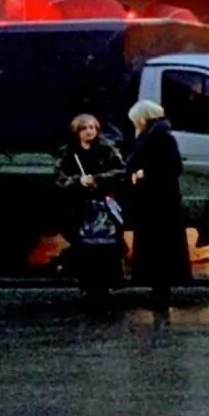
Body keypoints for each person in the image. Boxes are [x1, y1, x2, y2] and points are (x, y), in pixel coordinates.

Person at [124, 99, 189, 312]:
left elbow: (172, 167)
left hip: (159, 204)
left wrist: (145, 173)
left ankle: (160, 292)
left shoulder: (159, 138)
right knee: (160, 249)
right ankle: (159, 291)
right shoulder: (156, 136)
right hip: (157, 203)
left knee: (158, 249)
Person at [53, 113, 126, 301]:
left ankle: (106, 284)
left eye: (92, 128)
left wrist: (98, 180)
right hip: (78, 206)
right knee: (84, 246)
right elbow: (59, 178)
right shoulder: (69, 152)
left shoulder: (106, 149)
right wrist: (78, 181)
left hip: (103, 204)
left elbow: (120, 172)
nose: (89, 132)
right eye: (85, 128)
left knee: (105, 245)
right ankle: (88, 285)